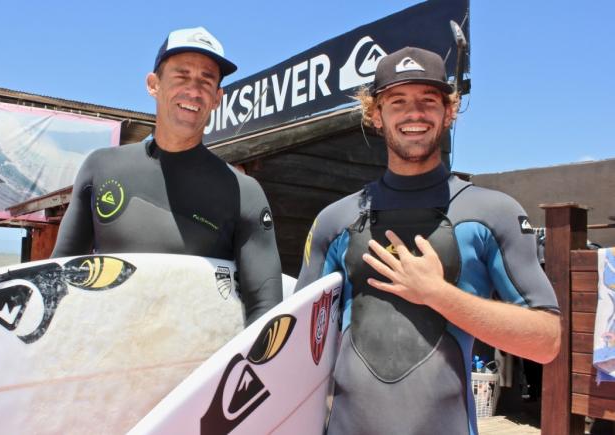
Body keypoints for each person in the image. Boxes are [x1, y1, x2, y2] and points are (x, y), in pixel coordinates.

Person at [295, 47, 561, 435]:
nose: (414, 113)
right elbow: (298, 349)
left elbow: (546, 341)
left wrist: (437, 294)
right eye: (397, 101)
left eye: (428, 100)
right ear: (375, 114)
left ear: (449, 112)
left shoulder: (492, 213)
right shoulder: (335, 221)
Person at [52, 26, 282, 325]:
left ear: (217, 98)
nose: (194, 90)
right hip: (106, 360)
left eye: (206, 80)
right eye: (181, 76)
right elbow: (57, 280)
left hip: (196, 366)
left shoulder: (244, 192)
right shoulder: (101, 168)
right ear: (153, 84)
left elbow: (266, 309)